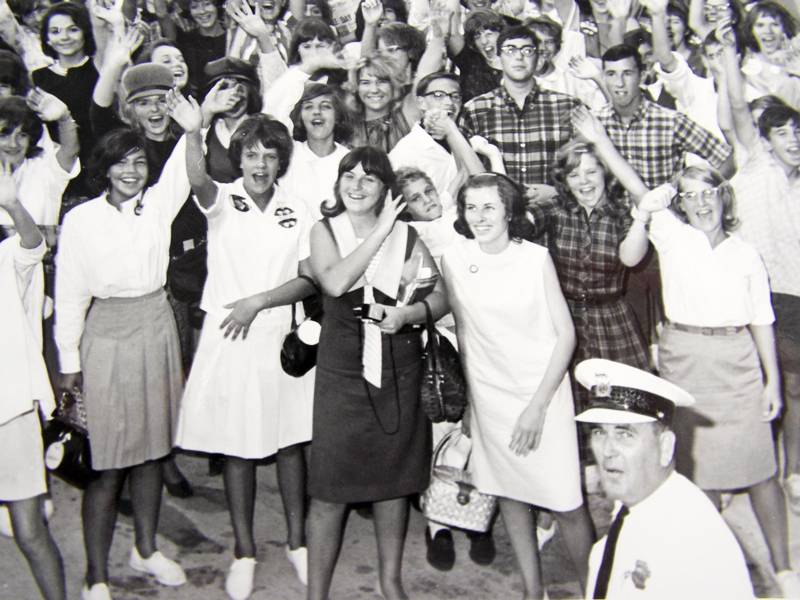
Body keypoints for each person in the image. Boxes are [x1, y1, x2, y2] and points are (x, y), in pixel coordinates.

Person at [174, 105, 317, 600]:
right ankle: (244, 551)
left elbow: (308, 277)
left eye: (270, 156)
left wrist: (260, 300)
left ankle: (299, 543)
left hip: (278, 332)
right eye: (251, 154)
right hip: (229, 336)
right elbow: (197, 179)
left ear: (282, 162)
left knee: (291, 442)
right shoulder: (223, 198)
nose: (260, 164)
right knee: (237, 446)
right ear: (238, 159)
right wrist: (194, 133)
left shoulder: (299, 208)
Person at [54, 99, 194, 599]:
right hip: (106, 333)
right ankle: (96, 574)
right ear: (104, 169)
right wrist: (69, 362)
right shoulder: (82, 221)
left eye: (139, 161)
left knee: (153, 452)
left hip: (156, 323)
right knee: (107, 461)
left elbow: (182, 163)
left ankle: (147, 548)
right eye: (121, 162)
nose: (131, 171)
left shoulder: (157, 206)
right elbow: (69, 293)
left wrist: (194, 127)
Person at [636, 169, 800, 597]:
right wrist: (598, 138)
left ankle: (784, 570)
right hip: (685, 360)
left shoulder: (746, 254)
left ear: (723, 198)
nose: (702, 203)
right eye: (691, 196)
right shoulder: (672, 236)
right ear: (681, 204)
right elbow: (637, 186)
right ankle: (715, 572)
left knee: (762, 473)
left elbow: (761, 320)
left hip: (737, 362)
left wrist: (772, 383)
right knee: (698, 475)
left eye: (709, 193)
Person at [441, 172, 594, 599]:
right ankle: (532, 590)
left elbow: (566, 336)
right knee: (509, 493)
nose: (479, 216)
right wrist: (472, 402)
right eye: (471, 207)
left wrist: (537, 406)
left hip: (542, 392)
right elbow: (465, 336)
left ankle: (596, 588)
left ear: (509, 211)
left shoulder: (535, 258)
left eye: (489, 206)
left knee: (567, 502)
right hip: (490, 396)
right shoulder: (454, 259)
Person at [306, 146, 448, 600]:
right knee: (329, 488)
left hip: (397, 365)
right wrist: (383, 229)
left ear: (385, 190)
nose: (357, 185)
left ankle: (390, 581)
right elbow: (334, 283)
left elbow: (441, 298)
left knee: (393, 482)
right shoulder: (325, 230)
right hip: (342, 368)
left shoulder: (407, 237)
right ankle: (316, 594)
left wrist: (407, 315)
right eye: (349, 175)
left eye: (369, 178)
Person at [573, 358, 755, 599]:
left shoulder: (692, 537)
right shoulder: (637, 502)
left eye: (625, 435)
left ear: (665, 446)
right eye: (599, 432)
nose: (607, 450)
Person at [0, 163, 66, 600]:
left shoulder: (5, 253)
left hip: (10, 411)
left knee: (29, 531)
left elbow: (32, 246)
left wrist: (10, 203)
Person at [459, 25, 581, 203]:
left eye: (527, 50)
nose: (519, 56)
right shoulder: (475, 110)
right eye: (510, 50)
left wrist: (558, 192)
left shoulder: (568, 106)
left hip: (557, 218)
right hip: (501, 221)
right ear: (497, 60)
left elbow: (586, 165)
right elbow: (464, 174)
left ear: (538, 59)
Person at [280, 82, 352, 220]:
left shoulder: (350, 160)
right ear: (300, 116)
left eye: (325, 106)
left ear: (337, 116)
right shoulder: (289, 153)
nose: (316, 111)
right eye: (308, 107)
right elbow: (276, 109)